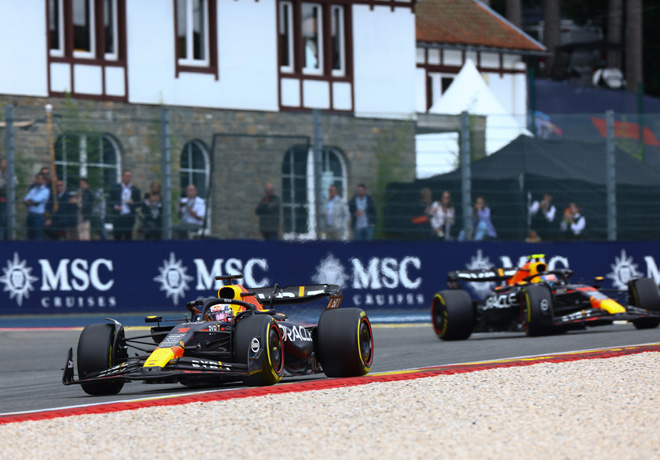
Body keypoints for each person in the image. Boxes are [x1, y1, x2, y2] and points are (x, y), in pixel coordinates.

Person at [110, 169, 141, 240]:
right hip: (118, 217)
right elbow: (110, 201)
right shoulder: (116, 188)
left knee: (128, 237)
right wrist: (115, 207)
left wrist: (133, 203)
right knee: (117, 237)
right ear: (123, 177)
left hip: (129, 217)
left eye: (129, 176)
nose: (128, 178)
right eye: (126, 176)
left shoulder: (135, 189)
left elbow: (139, 203)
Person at [23, 173, 50, 240]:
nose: (39, 180)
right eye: (38, 179)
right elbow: (25, 200)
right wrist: (31, 201)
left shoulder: (45, 191)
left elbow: (37, 201)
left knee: (37, 236)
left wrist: (30, 201)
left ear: (44, 180)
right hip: (30, 215)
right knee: (30, 235)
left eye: (41, 179)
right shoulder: (33, 190)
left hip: (38, 216)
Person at [0, 158, 7, 240]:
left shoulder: (11, 173)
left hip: (6, 202)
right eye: (4, 162)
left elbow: (15, 183)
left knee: (4, 221)